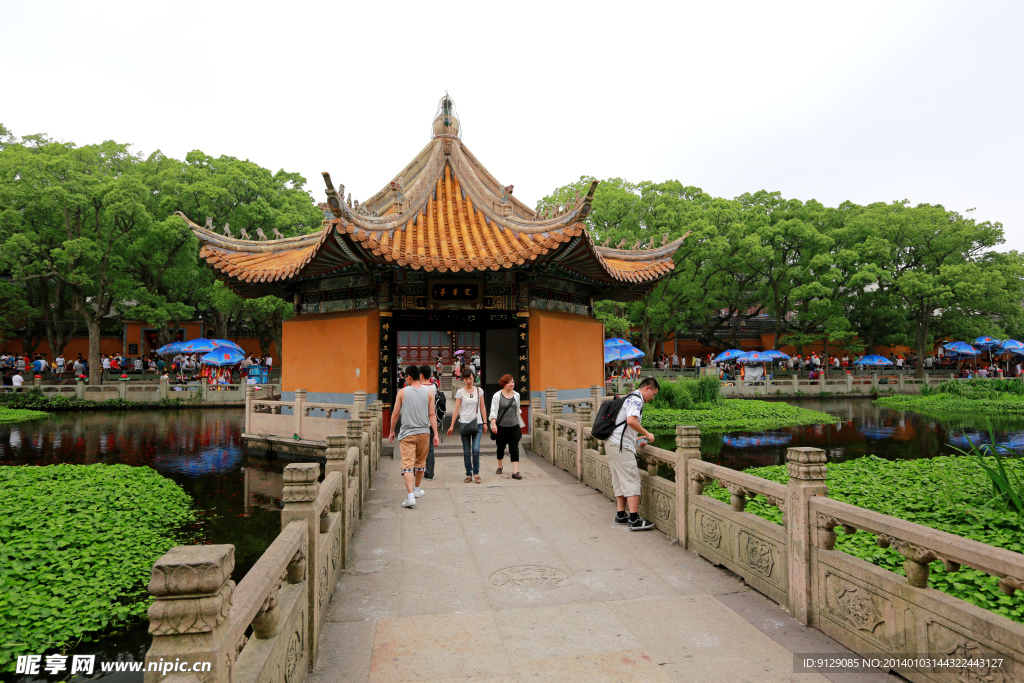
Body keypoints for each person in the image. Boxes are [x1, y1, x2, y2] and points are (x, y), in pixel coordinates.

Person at [607, 377, 659, 531]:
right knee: (631, 478)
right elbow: (630, 421)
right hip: (620, 446)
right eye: (653, 394)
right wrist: (648, 434)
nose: (652, 398)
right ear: (647, 388)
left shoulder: (629, 398)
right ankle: (634, 519)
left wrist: (635, 438)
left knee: (619, 478)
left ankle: (621, 514)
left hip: (613, 442)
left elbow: (623, 425)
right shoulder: (636, 400)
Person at [389, 365, 439, 508]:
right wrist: (435, 433)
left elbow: (395, 414)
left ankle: (410, 495)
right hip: (424, 433)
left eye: (406, 377)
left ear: (409, 377)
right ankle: (416, 489)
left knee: (407, 465)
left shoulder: (402, 392)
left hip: (407, 434)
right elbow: (432, 415)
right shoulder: (429, 393)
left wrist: (392, 431)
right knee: (420, 463)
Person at [447, 369, 486, 483]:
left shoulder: (479, 391)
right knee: (466, 451)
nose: (468, 381)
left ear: (473, 378)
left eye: (470, 378)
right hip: (464, 423)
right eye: (466, 379)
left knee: (476, 450)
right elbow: (456, 408)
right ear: (463, 379)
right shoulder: (460, 392)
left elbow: (483, 407)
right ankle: (468, 474)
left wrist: (485, 422)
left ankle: (476, 473)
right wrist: (452, 425)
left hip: (477, 423)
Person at [489, 374, 524, 479]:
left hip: (514, 425)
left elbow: (518, 409)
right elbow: (493, 411)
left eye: (512, 382)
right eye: (509, 382)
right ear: (503, 384)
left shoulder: (516, 395)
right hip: (501, 427)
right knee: (500, 447)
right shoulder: (497, 395)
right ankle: (500, 465)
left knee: (514, 448)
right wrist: (494, 424)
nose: (511, 384)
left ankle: (515, 472)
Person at [418, 364, 442, 480]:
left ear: (421, 375)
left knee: (417, 446)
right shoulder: (434, 387)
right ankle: (430, 473)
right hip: (432, 422)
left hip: (419, 422)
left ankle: (416, 470)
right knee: (430, 448)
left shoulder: (418, 389)